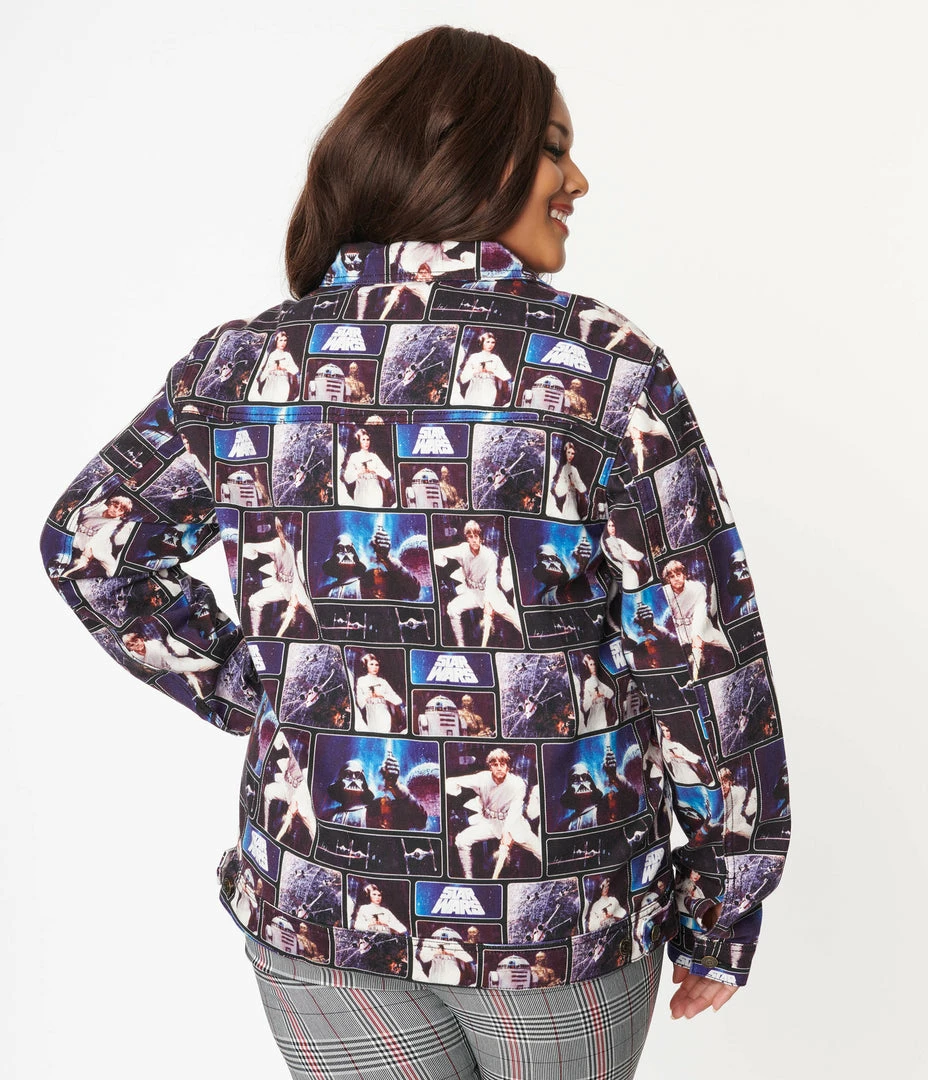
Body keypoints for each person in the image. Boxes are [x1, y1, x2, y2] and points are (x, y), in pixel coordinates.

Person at [40, 25, 790, 1080]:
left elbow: (91, 545)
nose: (578, 179)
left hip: (317, 909)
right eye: (553, 148)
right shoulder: (598, 369)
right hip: (553, 919)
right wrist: (721, 901)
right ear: (473, 154)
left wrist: (265, 692)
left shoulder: (245, 365)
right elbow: (698, 650)